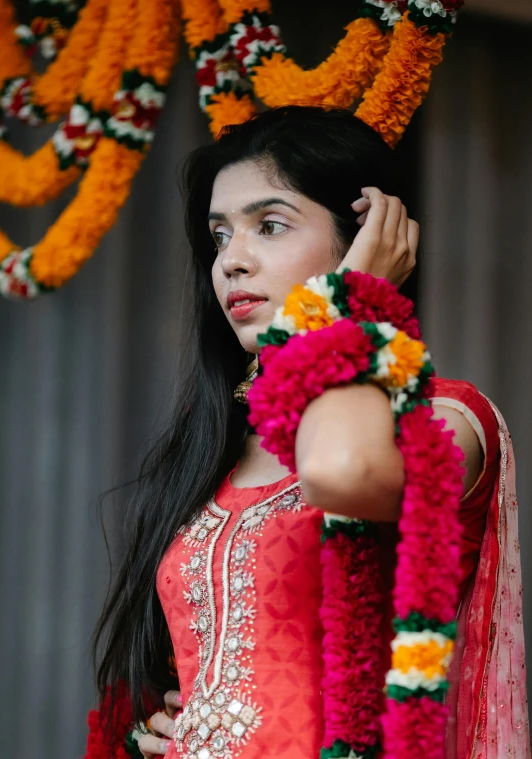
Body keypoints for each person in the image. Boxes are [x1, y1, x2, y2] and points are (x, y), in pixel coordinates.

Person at [90, 106, 529, 759]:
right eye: (218, 236)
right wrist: (147, 733)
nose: (232, 261)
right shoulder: (216, 446)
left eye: (268, 225)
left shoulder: (441, 421)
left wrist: (354, 298)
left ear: (364, 241)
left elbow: (339, 474)